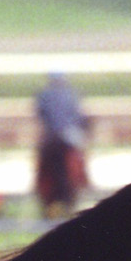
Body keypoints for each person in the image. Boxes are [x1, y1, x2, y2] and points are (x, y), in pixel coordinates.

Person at [34, 72, 91, 218]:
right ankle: (85, 180)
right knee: (80, 154)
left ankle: (37, 185)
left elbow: (41, 115)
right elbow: (79, 116)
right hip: (68, 135)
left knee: (41, 156)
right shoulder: (72, 94)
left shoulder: (43, 94)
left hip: (51, 136)